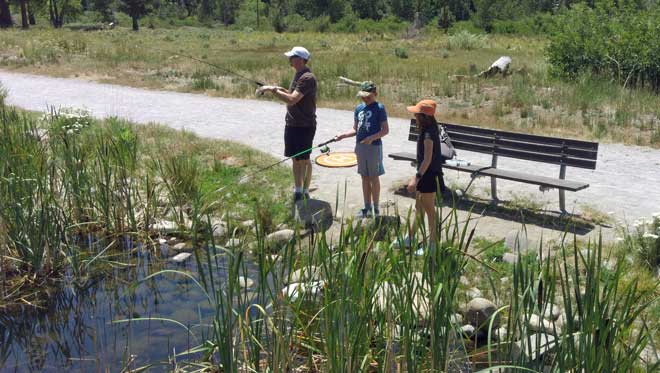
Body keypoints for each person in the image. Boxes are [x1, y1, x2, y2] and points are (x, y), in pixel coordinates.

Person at [262, 46, 317, 202]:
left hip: (305, 125)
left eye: (292, 57)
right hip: (292, 123)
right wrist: (276, 88)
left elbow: (292, 99)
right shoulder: (298, 74)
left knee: (304, 159)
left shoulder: (307, 77)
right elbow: (292, 93)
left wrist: (273, 91)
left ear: (300, 59)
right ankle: (298, 189)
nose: (289, 60)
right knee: (295, 158)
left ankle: (305, 191)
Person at [335, 81, 389, 217]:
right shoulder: (359, 108)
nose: (365, 99)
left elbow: (385, 130)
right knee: (364, 177)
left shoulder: (380, 108)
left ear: (375, 94)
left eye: (368, 96)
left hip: (373, 148)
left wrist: (372, 138)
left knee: (374, 177)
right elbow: (355, 129)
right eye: (363, 97)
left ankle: (376, 208)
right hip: (360, 147)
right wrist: (343, 135)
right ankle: (367, 207)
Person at [405, 99, 446, 250]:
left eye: (416, 114)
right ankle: (410, 237)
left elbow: (428, 158)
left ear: (423, 116)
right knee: (419, 207)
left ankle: (433, 245)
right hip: (425, 174)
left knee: (429, 210)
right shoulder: (427, 129)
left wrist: (416, 178)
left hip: (428, 176)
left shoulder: (429, 134)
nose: (414, 116)